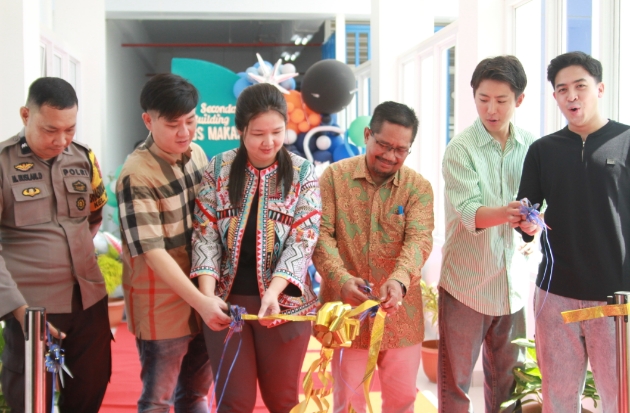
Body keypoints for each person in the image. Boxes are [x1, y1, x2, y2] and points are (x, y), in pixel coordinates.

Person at [190, 83, 321, 413]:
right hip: (226, 305)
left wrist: (273, 293)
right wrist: (208, 299)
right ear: (240, 131)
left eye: (277, 132)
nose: (269, 142)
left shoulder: (303, 172)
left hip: (284, 304)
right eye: (258, 133)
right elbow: (204, 235)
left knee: (284, 400)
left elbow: (302, 240)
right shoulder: (218, 169)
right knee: (233, 402)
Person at [517, 51, 628, 413]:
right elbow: (526, 213)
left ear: (599, 88)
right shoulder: (542, 150)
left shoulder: (626, 141)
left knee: (619, 399)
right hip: (557, 294)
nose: (572, 96)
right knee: (559, 398)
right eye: (562, 89)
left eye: (580, 86)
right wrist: (527, 224)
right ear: (555, 97)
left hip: (615, 298)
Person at [312, 101, 434, 413]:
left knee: (402, 401)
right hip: (347, 315)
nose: (391, 156)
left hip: (401, 317)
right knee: (348, 404)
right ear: (367, 134)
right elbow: (320, 236)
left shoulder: (417, 188)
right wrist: (340, 280)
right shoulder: (334, 179)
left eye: (401, 149)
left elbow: (419, 239)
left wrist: (399, 280)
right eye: (383, 145)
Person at [0, 77, 111, 412]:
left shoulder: (83, 158)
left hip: (89, 301)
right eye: (50, 130)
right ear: (25, 115)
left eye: (70, 129)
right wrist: (20, 310)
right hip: (32, 310)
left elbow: (94, 215)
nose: (61, 140)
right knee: (30, 398)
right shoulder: (2, 164)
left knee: (91, 386)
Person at [438, 55, 536, 413]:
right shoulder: (460, 149)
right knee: (456, 385)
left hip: (512, 284)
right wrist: (512, 212)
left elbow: (540, 210)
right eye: (483, 99)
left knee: (510, 385)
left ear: (519, 100)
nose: (491, 109)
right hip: (466, 284)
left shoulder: (531, 146)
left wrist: (529, 225)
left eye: (501, 100)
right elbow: (469, 213)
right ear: (473, 96)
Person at [116, 73, 217, 412]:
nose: (185, 132)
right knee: (158, 400)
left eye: (191, 121)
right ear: (148, 120)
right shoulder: (136, 174)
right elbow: (153, 253)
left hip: (202, 294)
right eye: (174, 124)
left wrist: (206, 298)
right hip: (161, 304)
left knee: (196, 395)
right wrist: (203, 303)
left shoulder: (198, 154)